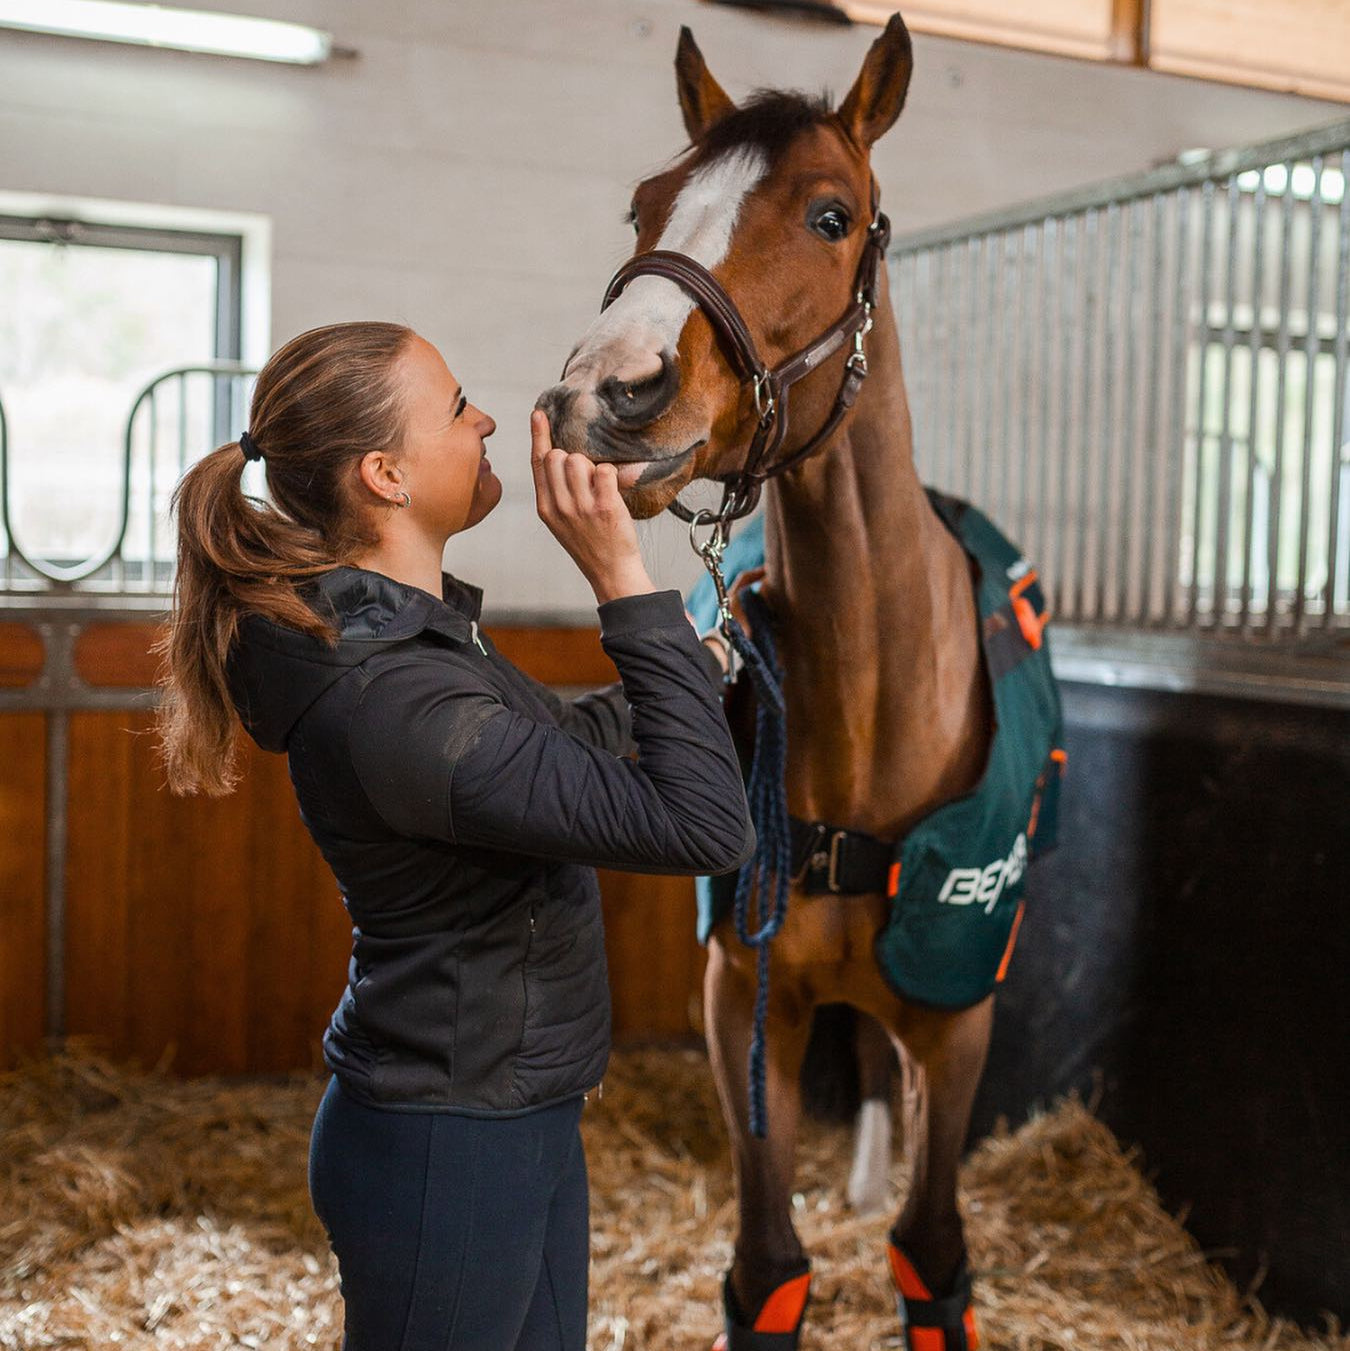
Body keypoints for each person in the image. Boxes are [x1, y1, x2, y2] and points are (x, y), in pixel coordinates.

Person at [153, 320, 756, 1351]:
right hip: (447, 1146)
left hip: (512, 1110)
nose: (487, 419)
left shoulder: (417, 643)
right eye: (458, 406)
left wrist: (699, 656)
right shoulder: (396, 700)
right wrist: (621, 578)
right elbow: (701, 825)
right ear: (385, 474)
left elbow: (564, 746)